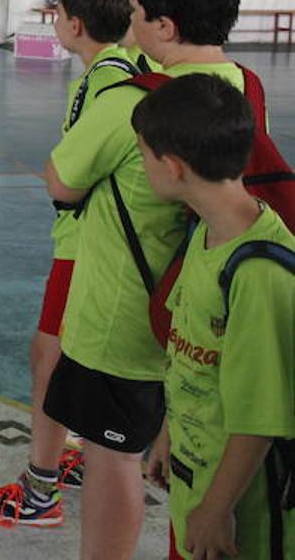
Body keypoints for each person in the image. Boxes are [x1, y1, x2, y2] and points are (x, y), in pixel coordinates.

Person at [42, 0, 246, 558]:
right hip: (196, 310)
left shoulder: (138, 99)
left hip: (124, 317)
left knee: (112, 458)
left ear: (163, 25)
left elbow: (62, 180)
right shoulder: (238, 84)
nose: (127, 24)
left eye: (134, 12)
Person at [0, 0, 137, 527]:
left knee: (49, 358)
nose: (53, 20)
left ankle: (39, 490)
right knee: (76, 355)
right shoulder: (119, 70)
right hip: (90, 244)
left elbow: (64, 177)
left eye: (58, 12)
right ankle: (82, 453)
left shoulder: (105, 85)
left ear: (77, 24)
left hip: (85, 245)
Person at [135, 75, 293, 560]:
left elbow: (261, 415)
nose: (143, 168)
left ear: (173, 166)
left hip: (240, 512)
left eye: (143, 155)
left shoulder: (259, 272)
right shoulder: (207, 235)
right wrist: (168, 434)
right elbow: (194, 354)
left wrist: (216, 508)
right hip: (193, 476)